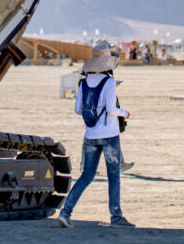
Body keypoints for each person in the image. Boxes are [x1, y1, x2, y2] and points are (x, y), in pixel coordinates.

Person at [57, 40, 134, 228]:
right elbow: (111, 108)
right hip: (109, 134)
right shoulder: (109, 82)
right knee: (113, 175)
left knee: (86, 175)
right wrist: (125, 113)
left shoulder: (83, 83)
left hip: (90, 134)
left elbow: (78, 109)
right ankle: (116, 217)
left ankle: (66, 212)